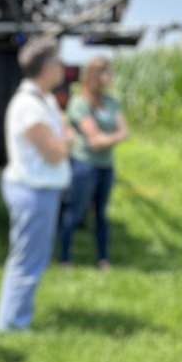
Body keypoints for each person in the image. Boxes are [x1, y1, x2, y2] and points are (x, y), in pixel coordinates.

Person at [0, 37, 72, 333]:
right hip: (32, 190)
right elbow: (55, 152)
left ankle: (15, 319)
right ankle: (12, 323)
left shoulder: (45, 99)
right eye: (59, 62)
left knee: (32, 258)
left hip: (41, 189)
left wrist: (64, 139)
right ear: (48, 67)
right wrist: (66, 141)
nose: (62, 67)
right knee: (27, 260)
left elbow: (63, 135)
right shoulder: (28, 104)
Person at [58, 56, 129, 269]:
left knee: (101, 213)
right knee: (75, 211)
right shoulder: (80, 103)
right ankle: (64, 257)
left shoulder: (112, 101)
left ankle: (103, 257)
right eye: (108, 73)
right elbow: (94, 139)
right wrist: (111, 137)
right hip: (84, 165)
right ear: (95, 76)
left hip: (105, 165)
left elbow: (123, 132)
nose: (111, 77)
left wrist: (104, 139)